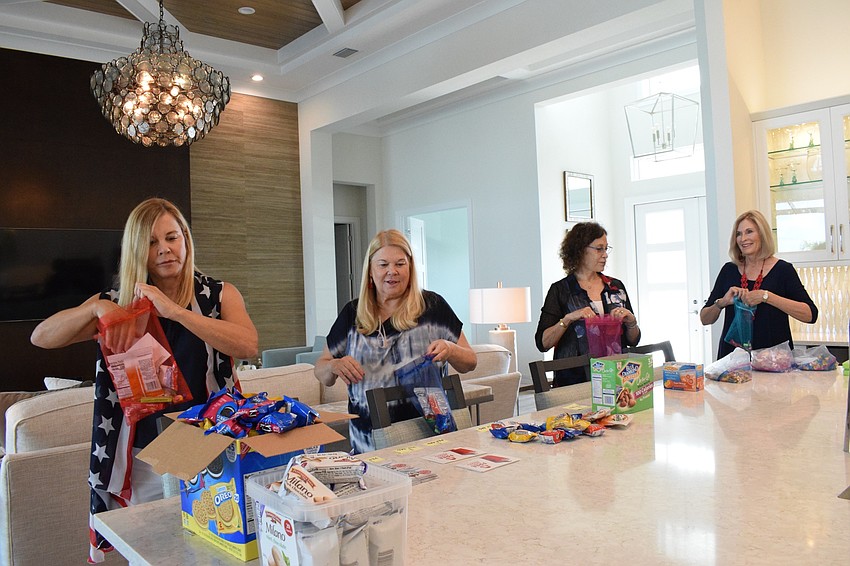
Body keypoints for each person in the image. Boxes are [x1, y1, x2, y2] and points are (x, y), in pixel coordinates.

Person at [30, 197, 257, 562]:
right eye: (152, 242)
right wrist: (94, 307)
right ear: (138, 248)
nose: (165, 249)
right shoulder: (118, 302)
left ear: (185, 239)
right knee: (156, 553)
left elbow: (248, 343)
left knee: (218, 549)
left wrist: (176, 313)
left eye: (172, 237)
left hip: (209, 445)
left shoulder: (218, 294)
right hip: (145, 453)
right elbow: (41, 337)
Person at [314, 229, 477, 454]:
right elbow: (322, 371)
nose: (392, 271)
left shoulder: (433, 306)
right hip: (367, 442)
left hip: (430, 437)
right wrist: (334, 365)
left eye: (400, 264)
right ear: (370, 271)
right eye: (383, 265)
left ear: (410, 268)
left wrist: (450, 349)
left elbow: (470, 362)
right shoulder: (352, 313)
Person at [700, 209, 817, 360]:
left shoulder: (783, 270)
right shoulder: (728, 270)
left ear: (762, 235)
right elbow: (704, 319)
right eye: (739, 234)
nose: (743, 238)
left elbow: (810, 314)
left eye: (749, 232)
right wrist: (722, 303)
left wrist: (766, 296)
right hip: (733, 363)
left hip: (774, 363)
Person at [535, 222, 640, 386]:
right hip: (574, 381)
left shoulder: (616, 287)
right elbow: (543, 343)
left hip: (616, 377)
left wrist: (632, 322)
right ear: (580, 250)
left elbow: (633, 340)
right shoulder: (561, 290)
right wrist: (568, 318)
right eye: (599, 249)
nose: (605, 255)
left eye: (606, 248)